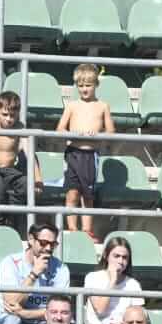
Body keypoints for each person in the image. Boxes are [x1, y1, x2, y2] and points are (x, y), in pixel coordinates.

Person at [56, 64, 115, 235]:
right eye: (80, 86)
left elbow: (111, 131)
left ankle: (87, 229)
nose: (84, 89)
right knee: (71, 193)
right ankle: (72, 228)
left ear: (96, 84)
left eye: (88, 85)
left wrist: (97, 134)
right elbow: (60, 129)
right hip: (73, 153)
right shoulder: (72, 105)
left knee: (88, 195)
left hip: (91, 155)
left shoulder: (103, 106)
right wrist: (74, 133)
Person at [0, 222, 66, 324]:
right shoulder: (11, 262)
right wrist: (34, 274)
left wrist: (24, 313)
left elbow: (60, 310)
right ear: (31, 239)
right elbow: (11, 303)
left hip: (42, 320)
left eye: (53, 244)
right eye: (43, 243)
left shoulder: (61, 268)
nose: (48, 248)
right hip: (11, 318)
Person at [80, 234, 144, 324]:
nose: (120, 261)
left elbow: (140, 317)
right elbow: (100, 309)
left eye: (124, 257)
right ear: (106, 255)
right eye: (116, 256)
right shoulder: (93, 278)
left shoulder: (133, 284)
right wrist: (112, 281)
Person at [0, 90, 32, 209]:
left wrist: (38, 179)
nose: (9, 119)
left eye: (12, 115)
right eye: (4, 114)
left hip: (9, 170)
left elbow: (30, 153)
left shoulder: (20, 127)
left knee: (25, 184)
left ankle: (12, 210)